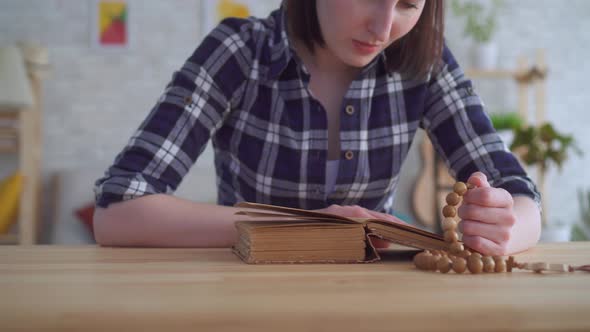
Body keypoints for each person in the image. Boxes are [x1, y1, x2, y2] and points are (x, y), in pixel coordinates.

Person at [93, 0, 541, 255]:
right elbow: (117, 213)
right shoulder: (239, 50)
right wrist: (296, 227)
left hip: (372, 307)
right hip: (244, 302)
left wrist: (503, 222)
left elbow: (522, 199)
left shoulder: (427, 64)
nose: (383, 27)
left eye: (407, 3)